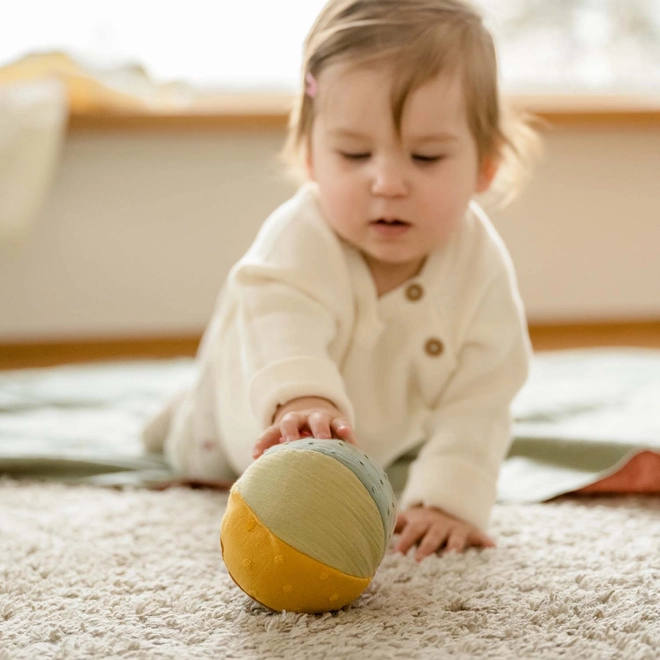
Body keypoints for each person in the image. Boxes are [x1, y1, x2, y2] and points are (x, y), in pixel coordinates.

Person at [143, 0, 537, 562]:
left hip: (368, 438)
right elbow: (282, 319)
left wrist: (449, 498)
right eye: (354, 153)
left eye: (426, 157)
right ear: (309, 155)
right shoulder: (298, 237)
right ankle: (180, 410)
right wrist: (302, 400)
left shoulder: (481, 267)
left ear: (486, 165)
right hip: (242, 424)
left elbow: (484, 395)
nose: (388, 181)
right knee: (192, 443)